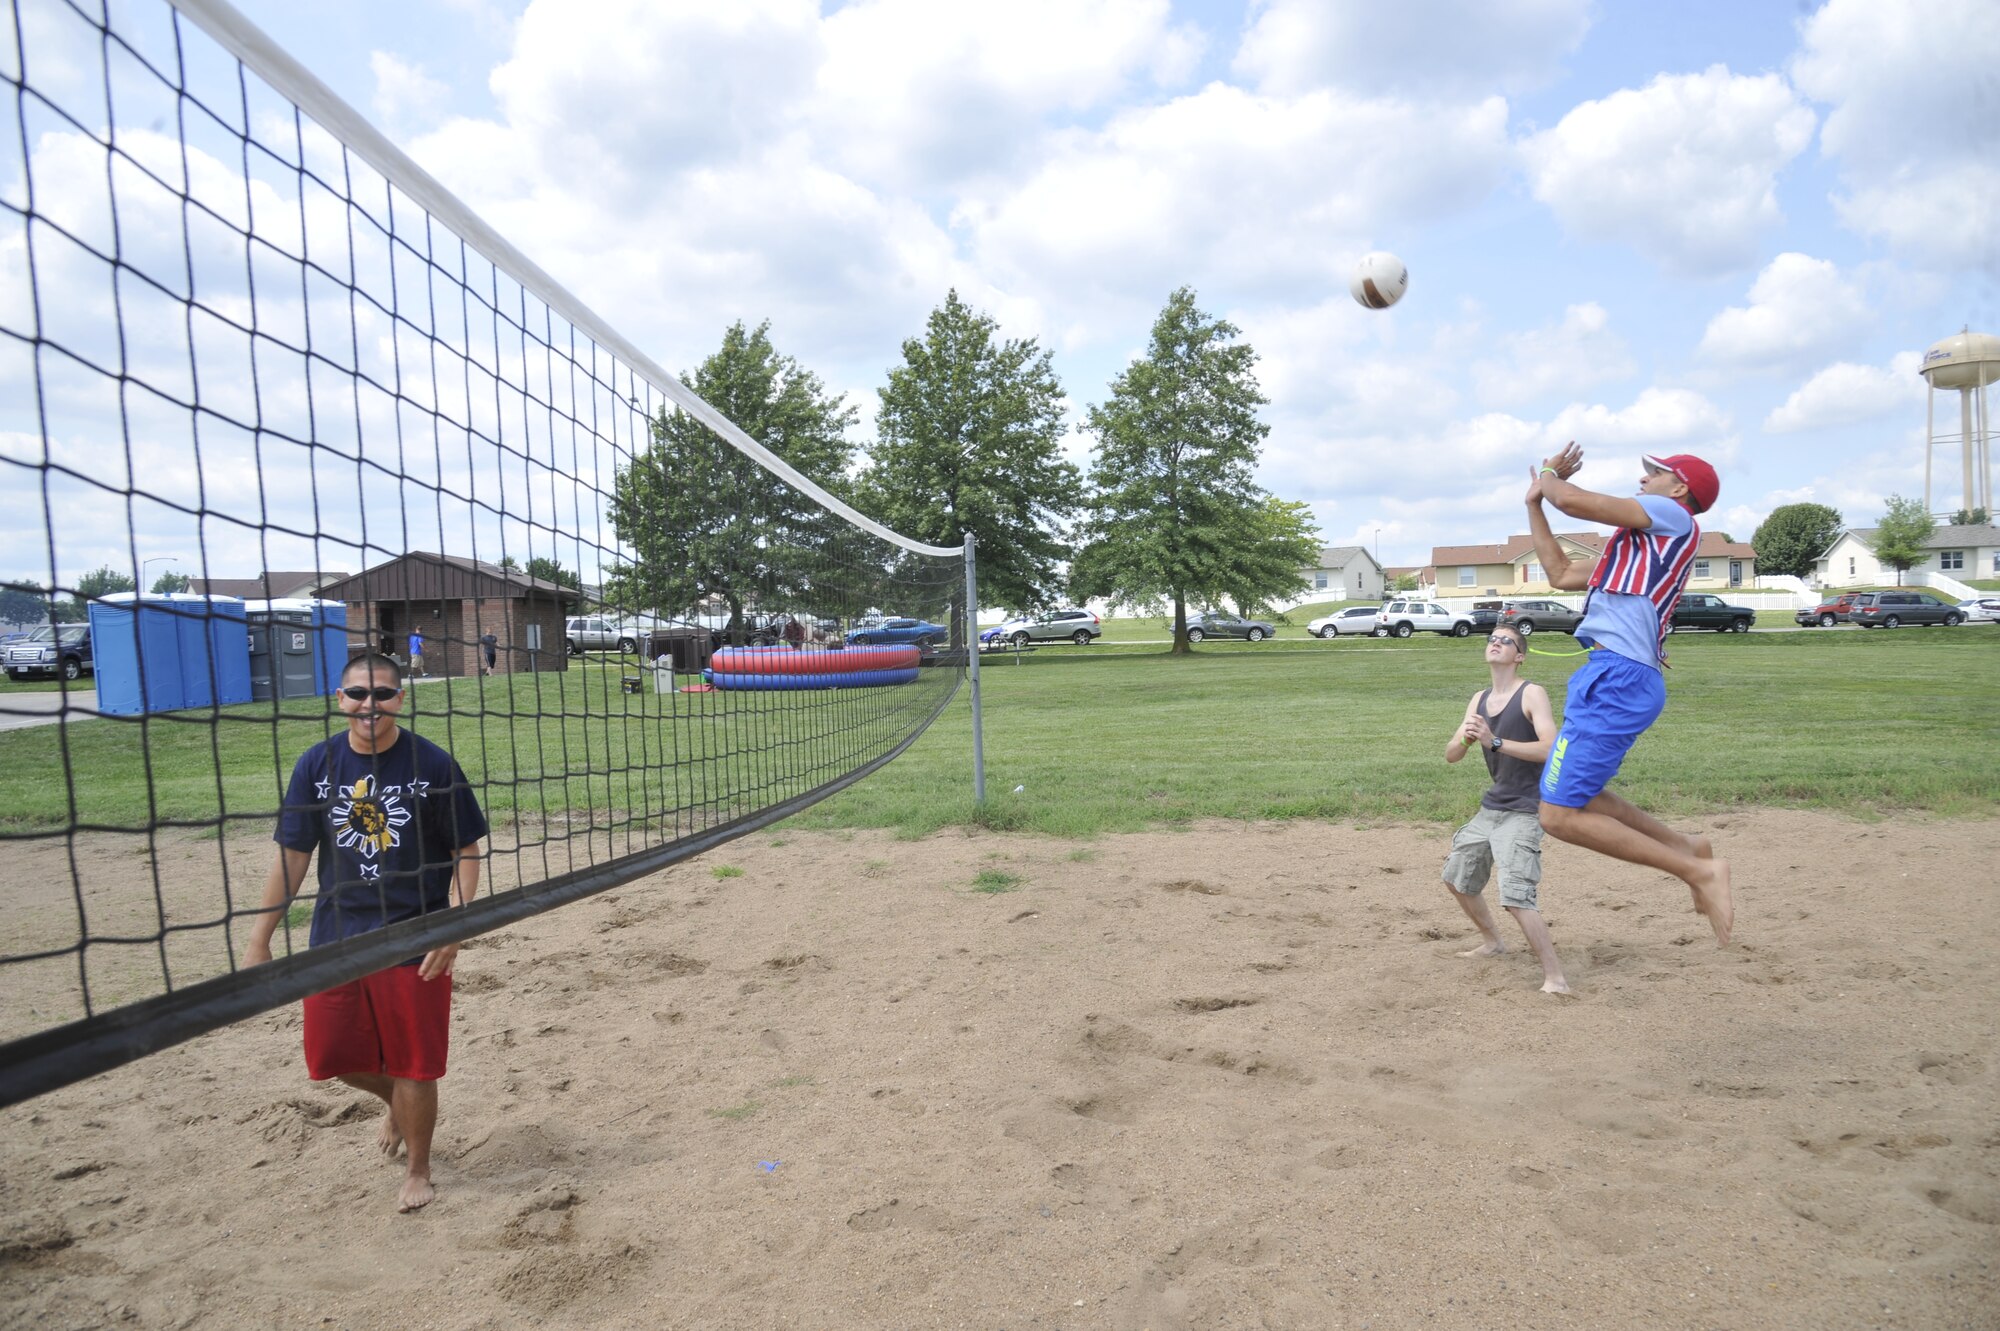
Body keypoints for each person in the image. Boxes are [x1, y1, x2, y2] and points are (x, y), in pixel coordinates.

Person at [243, 653, 487, 1212]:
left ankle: (419, 1169)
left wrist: (454, 924)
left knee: (414, 1065)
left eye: (381, 694)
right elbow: (293, 855)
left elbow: (466, 850)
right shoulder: (317, 763)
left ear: (400, 698)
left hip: (414, 935)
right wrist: (260, 938)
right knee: (332, 1057)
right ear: (340, 699)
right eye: (357, 693)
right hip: (339, 936)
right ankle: (397, 1107)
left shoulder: (433, 764)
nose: (368, 704)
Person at [1526, 442, 1733, 945]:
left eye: (1654, 473)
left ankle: (1698, 872)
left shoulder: (1672, 516)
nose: (1643, 480)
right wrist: (1534, 503)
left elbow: (1572, 500)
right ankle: (1688, 847)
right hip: (1610, 676)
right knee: (1583, 796)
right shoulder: (1632, 553)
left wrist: (1551, 474)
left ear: (1678, 488)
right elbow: (1559, 573)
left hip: (1619, 679)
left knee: (1557, 815)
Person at [1441, 622, 1569, 994]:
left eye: (1506, 641)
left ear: (1520, 656)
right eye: (1492, 639)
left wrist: (1494, 741)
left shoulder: (1532, 693)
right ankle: (1493, 942)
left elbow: (1551, 749)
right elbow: (1451, 755)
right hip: (1494, 806)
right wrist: (1467, 740)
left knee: (1515, 894)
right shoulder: (1478, 699)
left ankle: (1555, 978)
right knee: (1456, 878)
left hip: (1527, 807)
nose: (1496, 643)